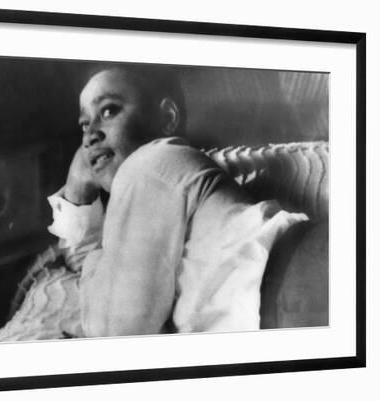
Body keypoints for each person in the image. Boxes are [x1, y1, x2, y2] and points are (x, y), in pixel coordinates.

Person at [46, 64, 308, 338]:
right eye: (85, 124)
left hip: (301, 286)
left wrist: (78, 191)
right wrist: (78, 188)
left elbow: (115, 333)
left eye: (109, 110)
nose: (90, 136)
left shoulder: (149, 163)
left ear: (168, 118)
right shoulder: (154, 193)